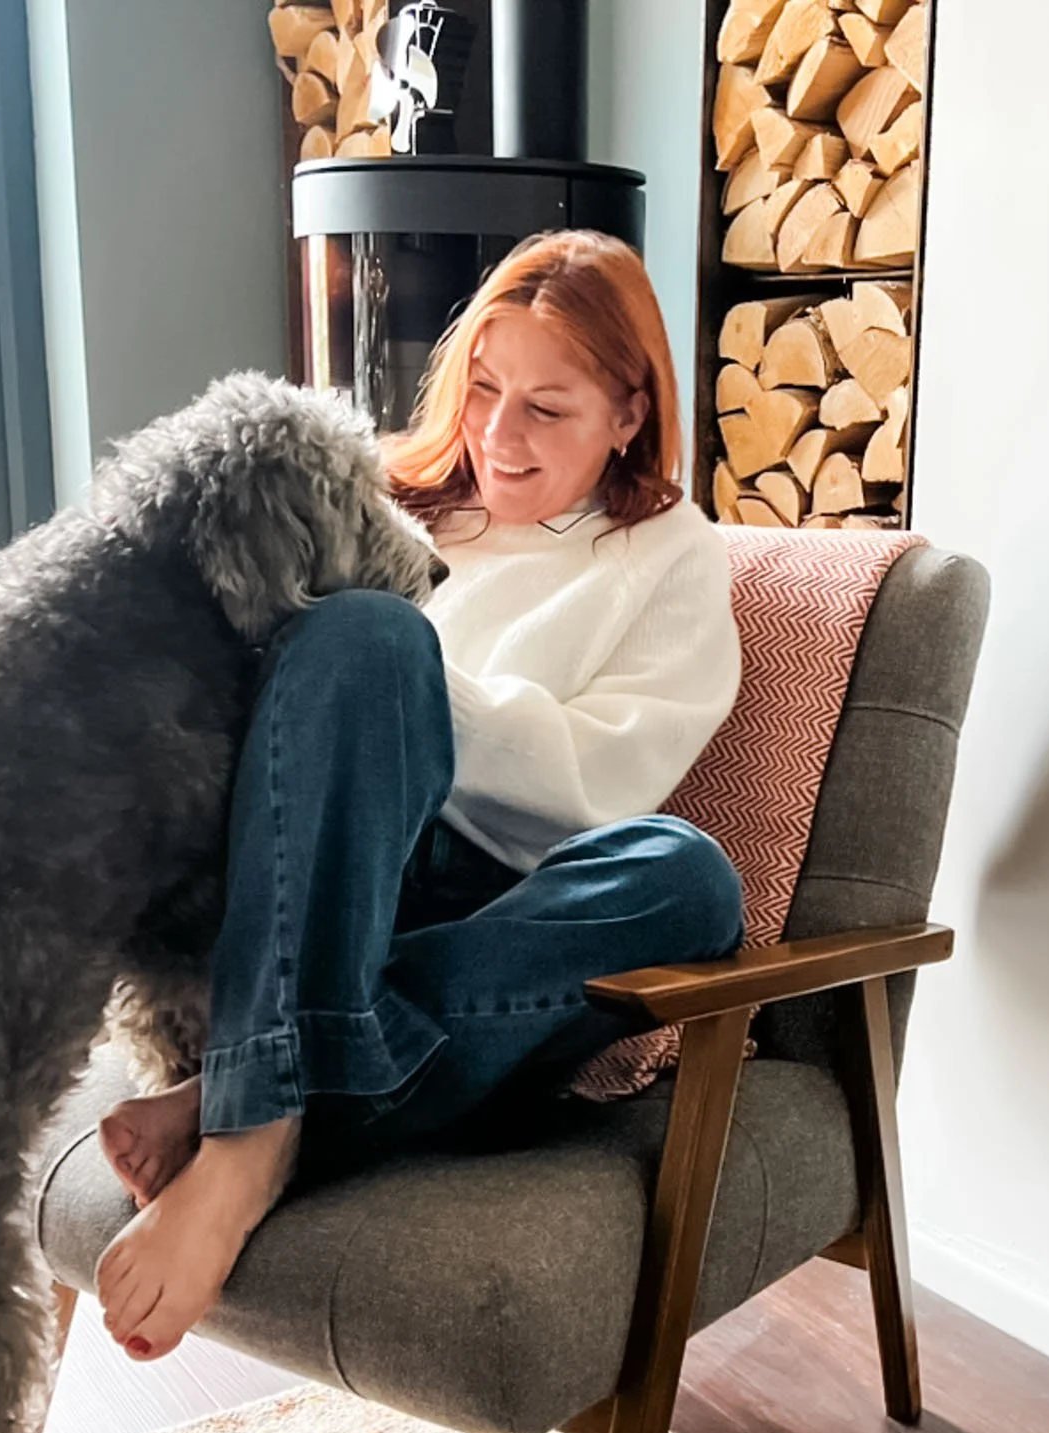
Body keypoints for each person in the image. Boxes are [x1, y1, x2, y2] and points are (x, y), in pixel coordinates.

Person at [94, 230, 744, 1363]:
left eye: (547, 407)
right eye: (485, 389)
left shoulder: (671, 556)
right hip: (319, 875)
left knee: (689, 876)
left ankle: (248, 1093)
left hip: (499, 905)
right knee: (365, 633)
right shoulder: (384, 499)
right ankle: (258, 1135)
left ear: (629, 415)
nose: (499, 434)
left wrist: (430, 701)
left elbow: (601, 789)